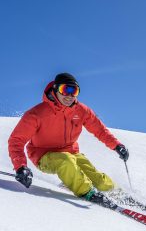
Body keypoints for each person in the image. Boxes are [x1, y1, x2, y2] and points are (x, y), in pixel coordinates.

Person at [8, 72, 129, 204]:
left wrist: (117, 145)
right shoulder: (36, 113)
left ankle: (116, 193)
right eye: (65, 90)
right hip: (43, 155)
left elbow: (99, 130)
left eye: (74, 91)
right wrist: (20, 167)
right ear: (55, 89)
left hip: (71, 152)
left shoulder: (81, 110)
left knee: (96, 177)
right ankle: (87, 192)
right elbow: (16, 140)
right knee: (66, 161)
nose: (69, 95)